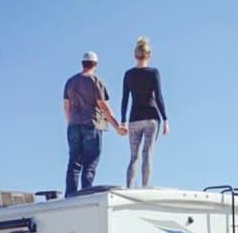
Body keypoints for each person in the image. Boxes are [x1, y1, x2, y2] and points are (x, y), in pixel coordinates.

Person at [63, 51, 126, 195]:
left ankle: (70, 194)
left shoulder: (70, 81)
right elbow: (103, 106)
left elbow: (66, 106)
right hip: (91, 125)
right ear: (95, 64)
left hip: (73, 125)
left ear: (82, 63)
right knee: (90, 164)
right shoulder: (95, 81)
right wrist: (117, 126)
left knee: (74, 162)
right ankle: (85, 194)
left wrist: (71, 122)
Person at [121, 36, 169, 188]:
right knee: (147, 153)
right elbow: (159, 97)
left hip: (134, 119)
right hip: (151, 119)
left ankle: (129, 187)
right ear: (149, 55)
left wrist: (123, 120)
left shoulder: (128, 74)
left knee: (134, 157)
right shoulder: (154, 73)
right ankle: (145, 187)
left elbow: (124, 99)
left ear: (135, 55)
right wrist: (166, 119)